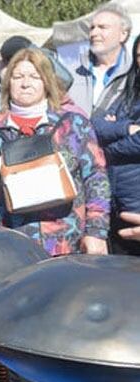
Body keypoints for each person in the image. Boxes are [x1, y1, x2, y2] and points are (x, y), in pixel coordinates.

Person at [0, 48, 110, 382]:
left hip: (68, 240)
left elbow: (96, 177)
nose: (24, 83)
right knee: (21, 324)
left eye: (33, 76)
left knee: (72, 319)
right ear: (7, 83)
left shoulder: (73, 124)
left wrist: (96, 230)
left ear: (47, 82)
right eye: (17, 77)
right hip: (13, 243)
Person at [93, 33, 140, 256]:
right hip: (116, 204)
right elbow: (95, 125)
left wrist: (106, 150)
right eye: (139, 56)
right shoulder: (126, 94)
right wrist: (125, 128)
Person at [67, 3, 132, 117]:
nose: (93, 33)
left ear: (123, 34)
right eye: (92, 28)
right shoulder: (71, 70)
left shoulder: (133, 74)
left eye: (102, 27)